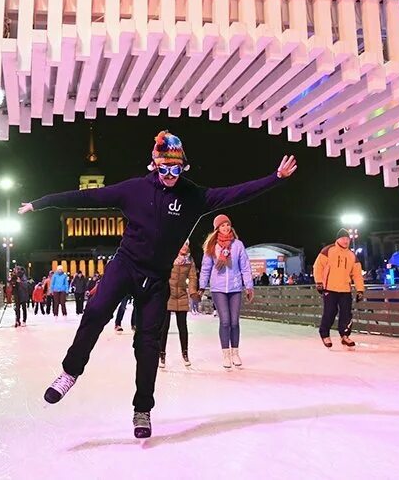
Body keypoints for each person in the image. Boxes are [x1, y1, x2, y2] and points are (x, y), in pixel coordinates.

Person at [19, 130, 296, 438]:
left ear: (183, 167)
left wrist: (276, 177)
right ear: (154, 164)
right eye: (163, 168)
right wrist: (40, 203)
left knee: (148, 343)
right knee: (96, 311)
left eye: (175, 169)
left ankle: (142, 409)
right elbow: (85, 197)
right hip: (125, 266)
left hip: (157, 278)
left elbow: (236, 193)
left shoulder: (194, 196)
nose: (169, 175)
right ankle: (70, 373)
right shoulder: (134, 190)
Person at [198, 214, 254, 368]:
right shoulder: (212, 246)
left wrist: (249, 286)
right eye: (222, 226)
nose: (226, 228)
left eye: (228, 225)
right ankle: (226, 355)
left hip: (235, 288)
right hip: (218, 288)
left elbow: (245, 267)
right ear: (217, 229)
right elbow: (205, 268)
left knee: (235, 322)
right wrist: (202, 286)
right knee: (225, 321)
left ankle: (235, 352)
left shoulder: (238, 245)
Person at [313, 230, 366, 348]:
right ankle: (325, 334)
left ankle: (345, 335)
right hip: (329, 288)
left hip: (345, 289)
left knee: (346, 314)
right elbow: (318, 267)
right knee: (330, 312)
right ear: (337, 239)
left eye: (347, 239)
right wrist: (319, 282)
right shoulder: (328, 251)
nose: (346, 241)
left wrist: (360, 290)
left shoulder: (352, 256)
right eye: (343, 238)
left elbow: (357, 274)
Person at [160, 240, 199, 368]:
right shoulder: (169, 257)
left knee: (182, 326)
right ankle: (162, 353)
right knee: (164, 326)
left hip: (181, 295)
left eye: (187, 244)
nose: (184, 247)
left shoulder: (189, 261)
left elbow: (193, 277)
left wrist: (193, 291)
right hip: (167, 295)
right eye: (182, 244)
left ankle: (185, 353)